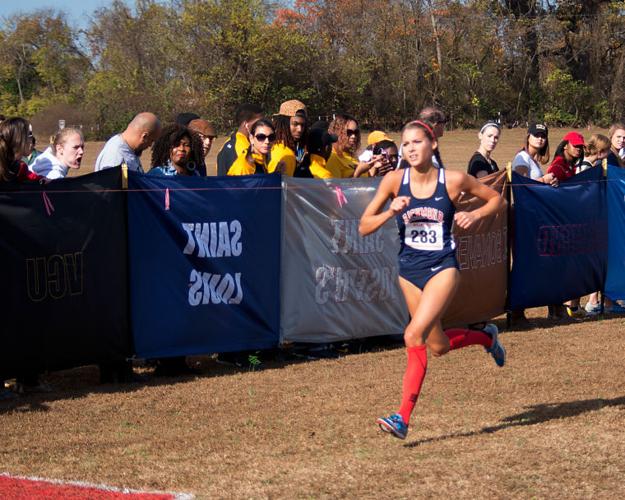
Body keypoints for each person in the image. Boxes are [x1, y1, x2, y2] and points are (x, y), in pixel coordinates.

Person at [359, 120, 506, 440]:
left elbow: (498, 200)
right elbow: (363, 226)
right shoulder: (394, 181)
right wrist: (389, 212)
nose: (410, 148)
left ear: (433, 145)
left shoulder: (452, 180)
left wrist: (476, 215)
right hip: (408, 271)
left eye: (417, 142)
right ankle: (487, 338)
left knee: (413, 334)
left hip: (443, 268)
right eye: (406, 143)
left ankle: (402, 418)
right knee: (436, 346)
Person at [0, 117, 42, 398]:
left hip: (17, 255)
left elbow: (37, 183)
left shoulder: (21, 169)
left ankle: (28, 377)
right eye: (27, 134)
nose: (32, 138)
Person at [95, 112, 161, 173]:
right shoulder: (115, 158)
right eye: (151, 141)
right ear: (144, 136)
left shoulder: (129, 150)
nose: (150, 145)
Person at [216, 104, 263, 176]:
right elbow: (246, 181)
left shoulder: (230, 142)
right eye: (259, 122)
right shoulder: (242, 148)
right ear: (246, 124)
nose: (262, 125)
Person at [268, 100, 308, 176]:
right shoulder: (286, 155)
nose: (300, 129)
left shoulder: (274, 145)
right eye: (295, 124)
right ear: (284, 124)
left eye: (302, 125)